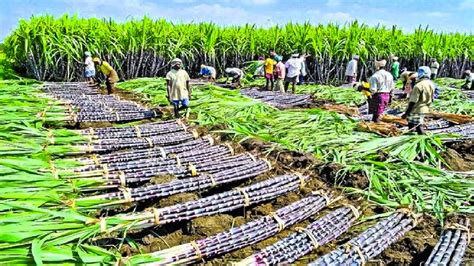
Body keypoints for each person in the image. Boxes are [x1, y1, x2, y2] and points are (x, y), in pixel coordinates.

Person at [402, 66, 435, 135]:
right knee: (413, 124)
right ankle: (412, 136)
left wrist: (406, 113)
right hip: (425, 108)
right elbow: (432, 98)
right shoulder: (431, 84)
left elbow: (413, 101)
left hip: (416, 109)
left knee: (418, 126)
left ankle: (422, 139)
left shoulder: (419, 86)